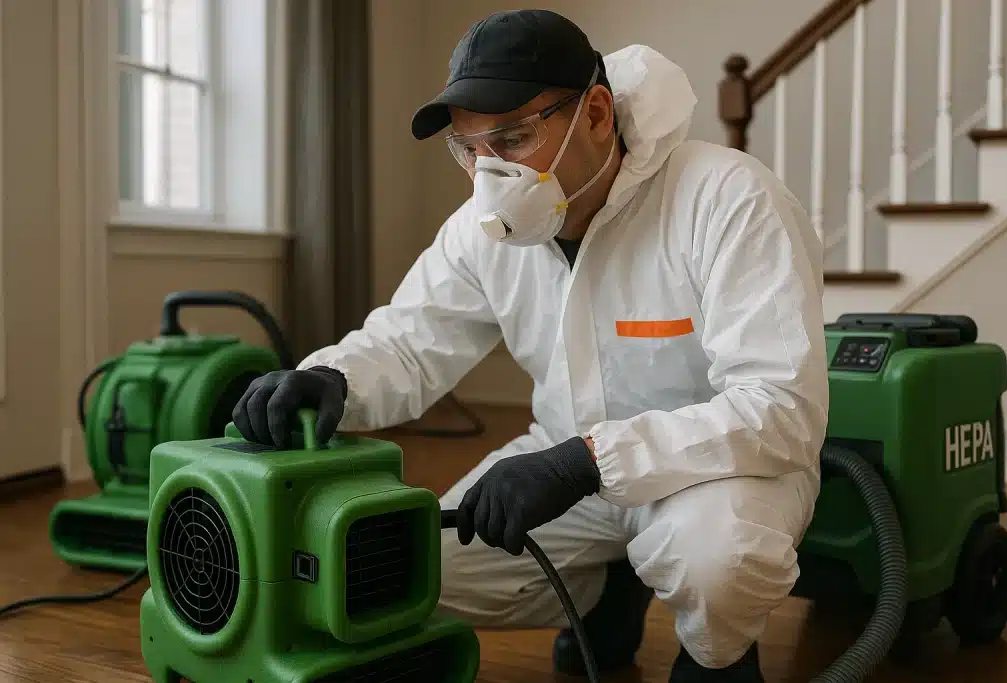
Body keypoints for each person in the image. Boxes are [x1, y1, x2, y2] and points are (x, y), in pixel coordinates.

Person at [233, 9, 828, 683]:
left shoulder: (725, 198)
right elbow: (410, 339)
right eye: (469, 150)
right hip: (564, 462)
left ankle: (719, 653)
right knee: (407, 570)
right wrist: (333, 378)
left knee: (717, 561)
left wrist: (585, 462)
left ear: (598, 113)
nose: (489, 175)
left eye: (512, 138)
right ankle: (606, 592)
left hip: (718, 473)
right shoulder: (480, 231)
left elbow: (779, 408)